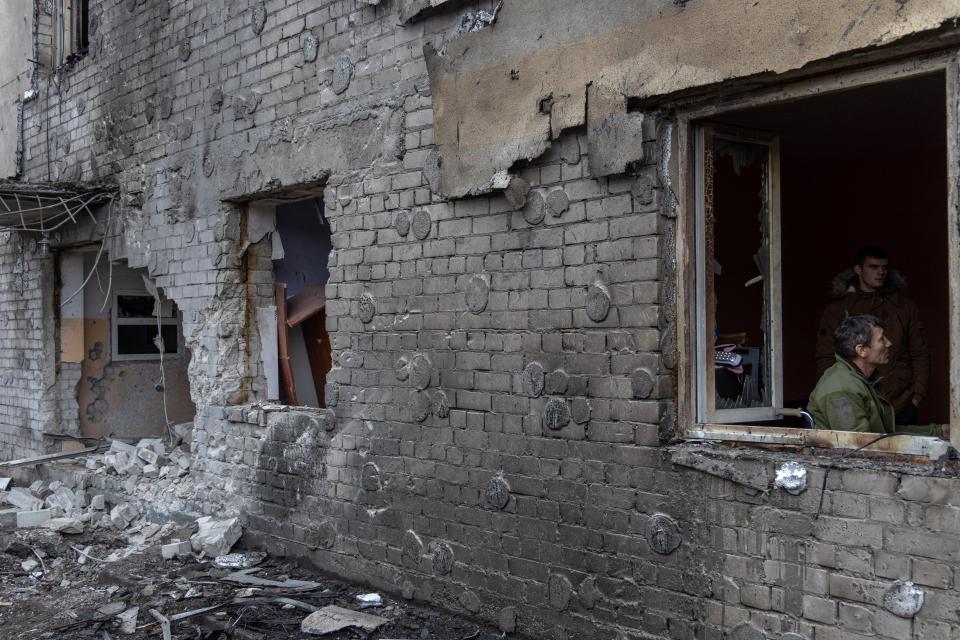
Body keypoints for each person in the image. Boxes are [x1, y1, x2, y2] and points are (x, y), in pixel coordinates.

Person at [815, 245, 929, 425]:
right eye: (873, 267)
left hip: (901, 400)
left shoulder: (903, 306)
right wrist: (839, 390)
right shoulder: (838, 309)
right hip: (860, 398)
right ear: (858, 269)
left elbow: (919, 352)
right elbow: (825, 356)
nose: (880, 272)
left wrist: (917, 397)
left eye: (884, 267)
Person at [808, 314, 945, 437]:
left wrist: (939, 431)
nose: (889, 343)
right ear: (861, 350)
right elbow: (859, 445)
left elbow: (886, 432)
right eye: (881, 339)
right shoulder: (842, 389)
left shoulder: (865, 379)